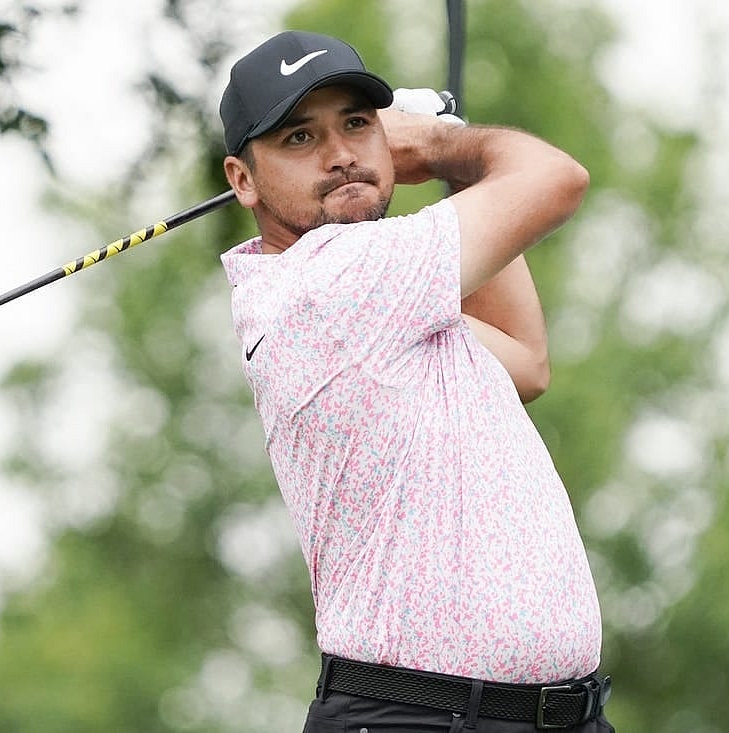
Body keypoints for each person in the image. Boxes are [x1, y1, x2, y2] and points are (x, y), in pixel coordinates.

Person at [218, 30, 613, 732]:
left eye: (357, 124)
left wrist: (451, 149)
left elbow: (524, 358)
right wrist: (435, 146)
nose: (341, 154)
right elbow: (557, 178)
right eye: (300, 137)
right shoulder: (331, 279)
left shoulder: (385, 304)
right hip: (417, 717)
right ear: (242, 179)